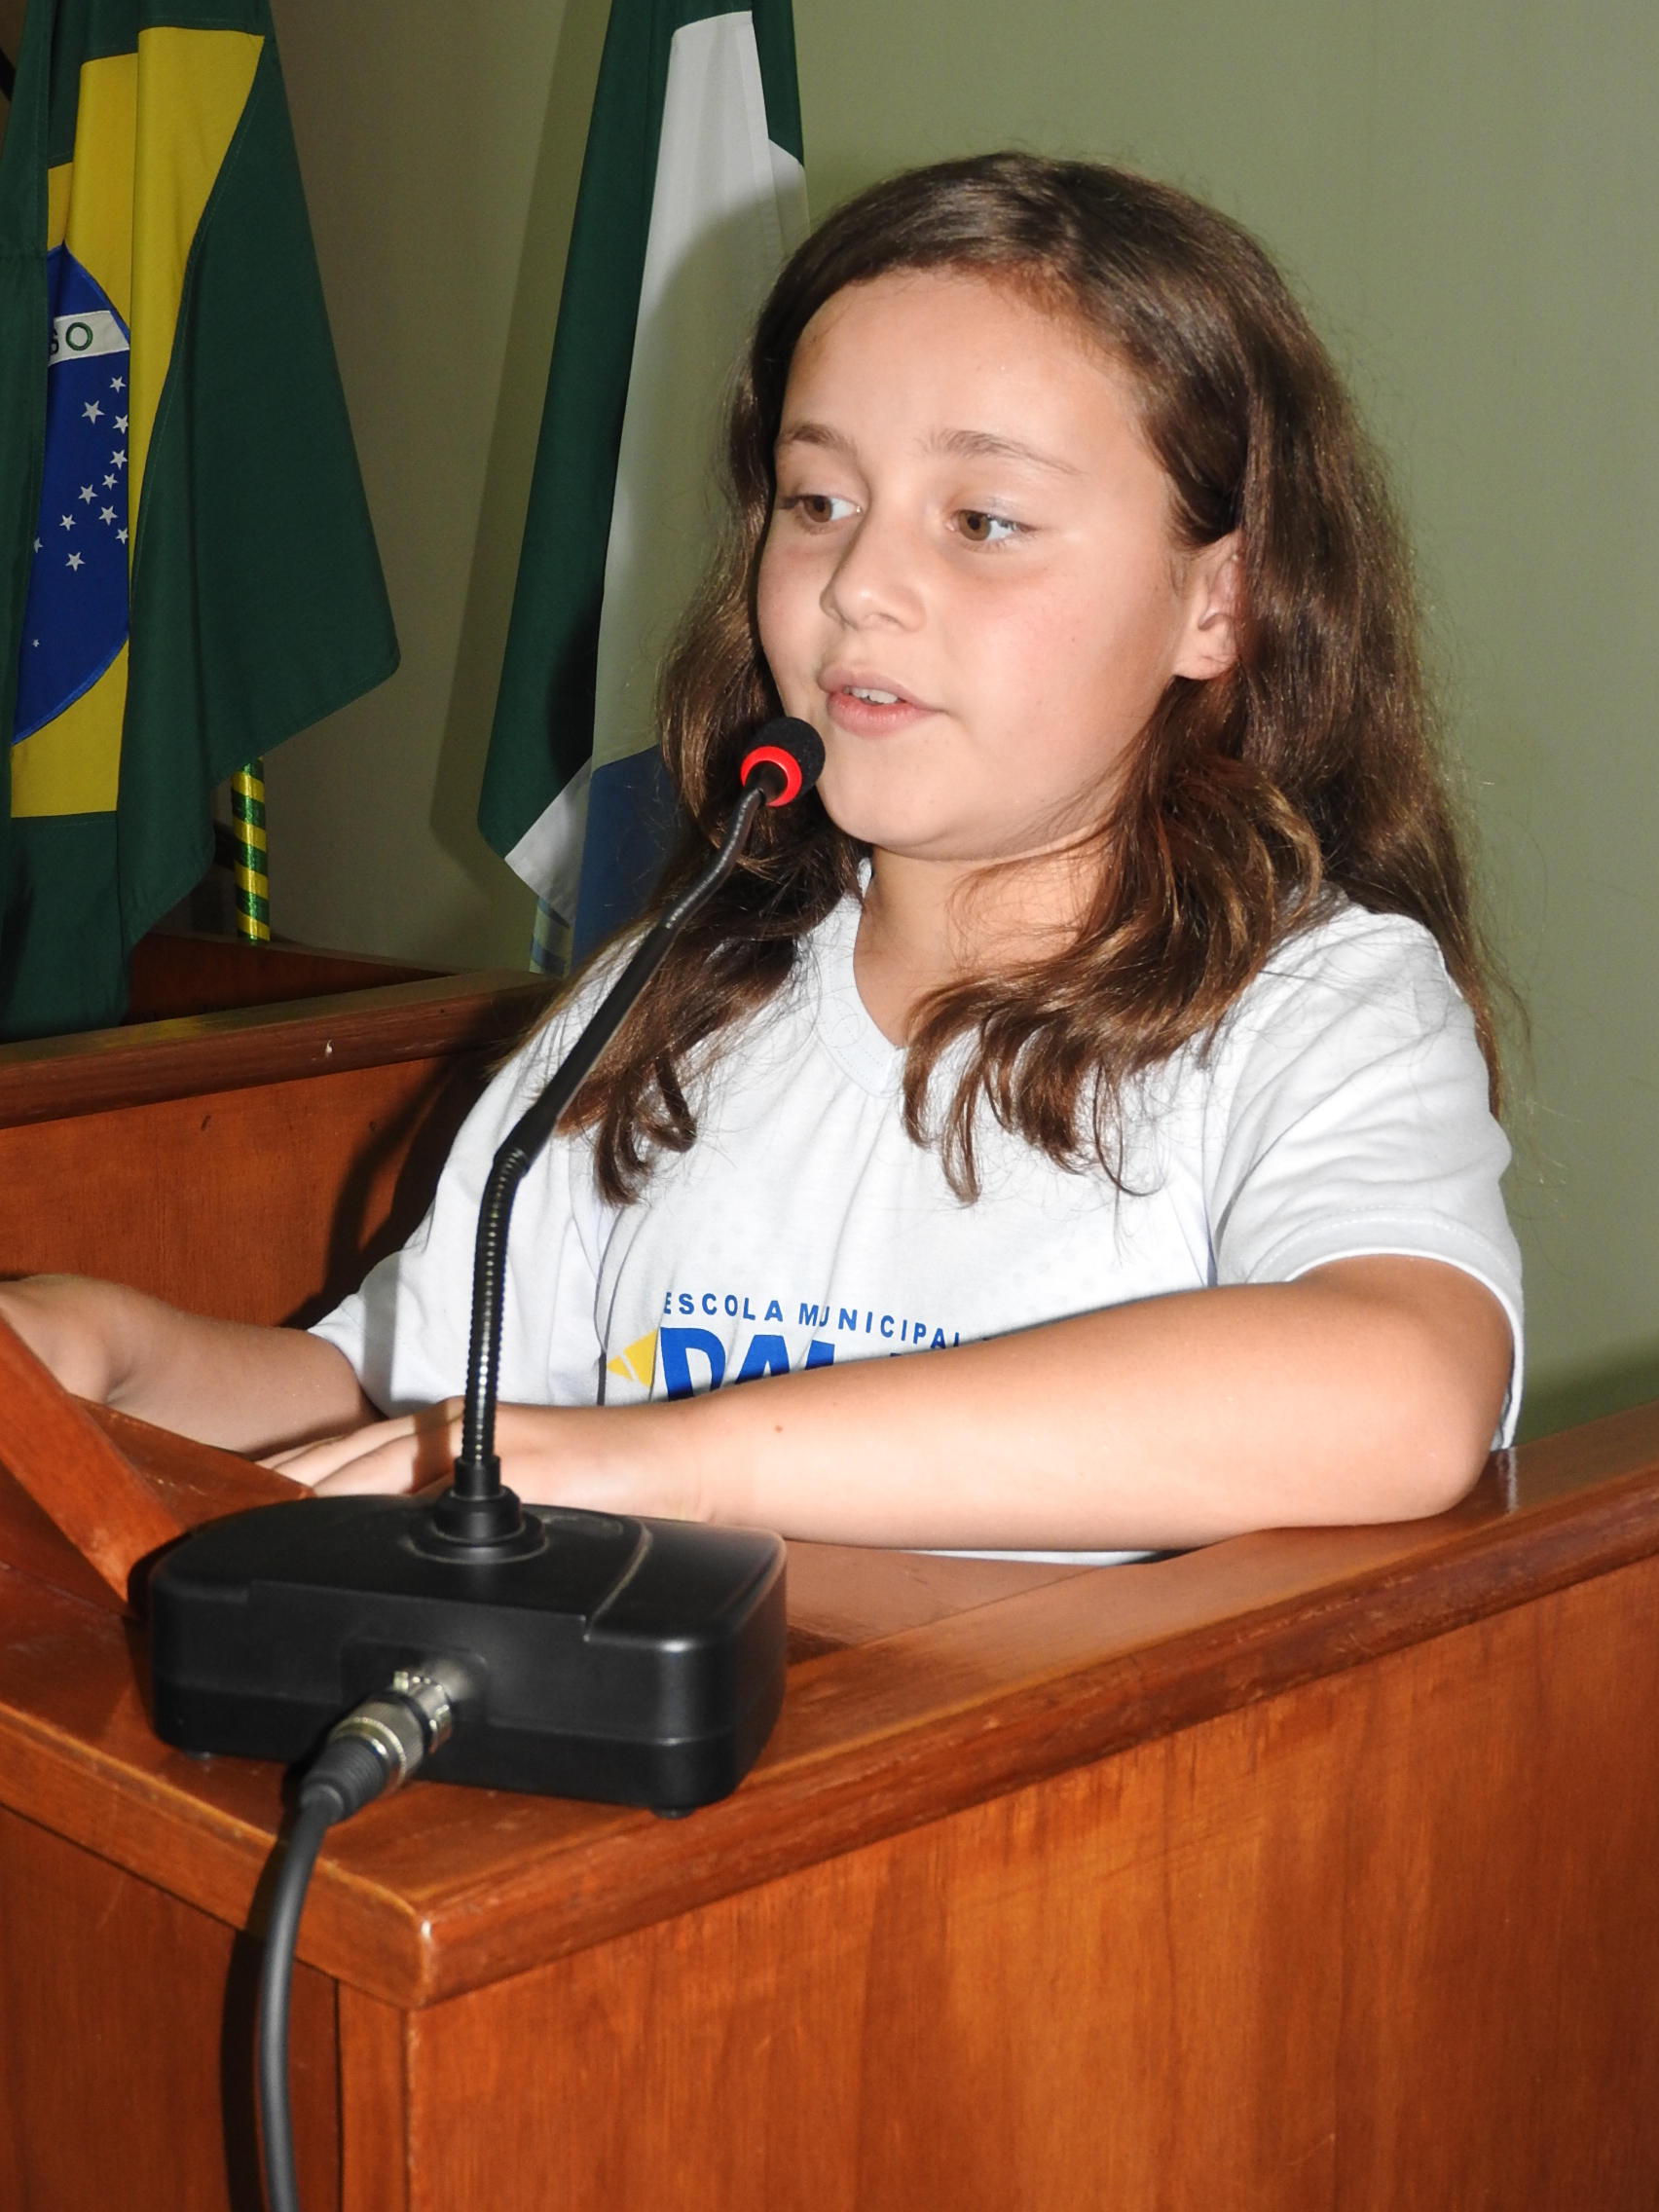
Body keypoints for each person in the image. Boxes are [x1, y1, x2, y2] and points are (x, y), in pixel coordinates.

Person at [0, 154, 1521, 1559]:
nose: (860, 583)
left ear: (1218, 603)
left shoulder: (1317, 1011)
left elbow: (1402, 1385)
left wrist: (685, 1461)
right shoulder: (675, 999)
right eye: (818, 501)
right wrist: (109, 1350)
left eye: (983, 519)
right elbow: (401, 1399)